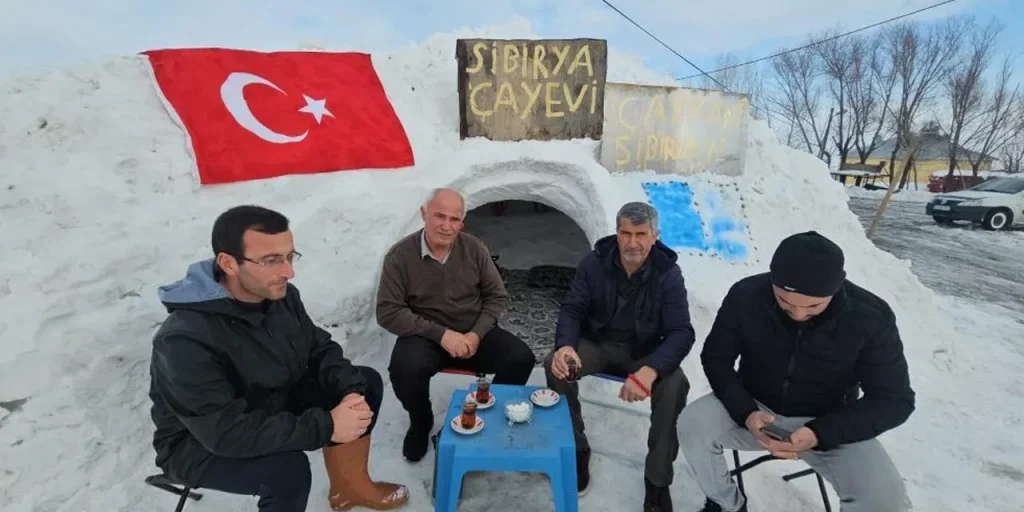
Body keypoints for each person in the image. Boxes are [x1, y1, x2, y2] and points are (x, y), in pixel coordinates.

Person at [148, 205, 409, 512]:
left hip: (270, 399)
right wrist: (327, 425)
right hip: (199, 442)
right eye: (271, 261)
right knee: (287, 472)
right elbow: (224, 432)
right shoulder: (184, 339)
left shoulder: (281, 296)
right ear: (228, 263)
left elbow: (318, 347)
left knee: (364, 382)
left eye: (289, 256)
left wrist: (350, 391)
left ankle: (348, 489)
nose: (289, 271)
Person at [680, 231, 916, 512]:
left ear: (836, 288)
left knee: (886, 502)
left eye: (813, 306)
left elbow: (894, 399)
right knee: (692, 424)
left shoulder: (871, 317)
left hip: (830, 424)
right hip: (755, 407)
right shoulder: (746, 296)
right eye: (785, 302)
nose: (799, 314)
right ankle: (725, 503)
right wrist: (745, 412)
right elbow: (717, 357)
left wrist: (820, 433)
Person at [543, 201, 695, 512]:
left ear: (655, 235)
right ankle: (576, 448)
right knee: (554, 365)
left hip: (645, 353)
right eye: (625, 233)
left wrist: (651, 371)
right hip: (598, 345)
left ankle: (657, 480)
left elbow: (682, 331)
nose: (632, 243)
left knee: (675, 384)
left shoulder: (668, 273)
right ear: (617, 232)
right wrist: (566, 345)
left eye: (641, 234)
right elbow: (573, 308)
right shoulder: (594, 263)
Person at [376, 188, 535, 462]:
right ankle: (420, 420)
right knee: (404, 369)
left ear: (462, 222)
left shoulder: (474, 249)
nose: (446, 226)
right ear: (424, 214)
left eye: (454, 219)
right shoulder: (400, 256)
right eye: (439, 216)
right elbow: (387, 311)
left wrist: (476, 334)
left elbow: (496, 296)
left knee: (521, 358)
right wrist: (441, 335)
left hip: (472, 330)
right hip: (425, 335)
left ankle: (483, 415)